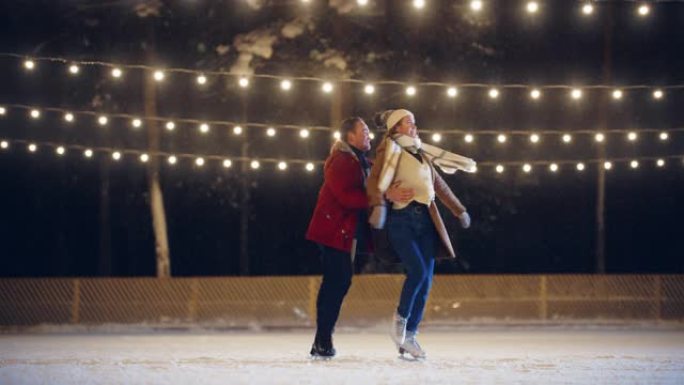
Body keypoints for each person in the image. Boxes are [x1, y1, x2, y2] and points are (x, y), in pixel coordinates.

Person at [366, 109, 476, 359]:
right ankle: (400, 320)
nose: (415, 127)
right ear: (396, 128)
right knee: (416, 270)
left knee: (425, 280)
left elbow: (439, 185)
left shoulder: (422, 153)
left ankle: (410, 337)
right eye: (409, 123)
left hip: (425, 220)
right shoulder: (389, 149)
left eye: (415, 122)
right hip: (400, 220)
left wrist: (459, 210)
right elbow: (374, 181)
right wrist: (384, 197)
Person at [306, 116, 402, 358]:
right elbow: (347, 197)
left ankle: (321, 341)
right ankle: (323, 340)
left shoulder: (360, 160)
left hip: (344, 232)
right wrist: (382, 197)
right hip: (333, 231)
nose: (369, 134)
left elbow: (378, 174)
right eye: (364, 130)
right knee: (336, 282)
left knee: (337, 283)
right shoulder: (341, 161)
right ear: (350, 136)